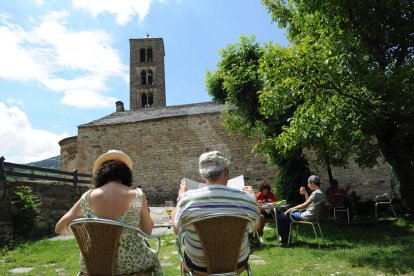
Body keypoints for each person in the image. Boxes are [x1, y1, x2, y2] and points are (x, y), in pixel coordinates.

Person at [55, 150, 162, 275]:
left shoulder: (87, 197)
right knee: (153, 259)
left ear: (100, 174)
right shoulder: (137, 195)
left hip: (94, 265)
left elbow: (59, 227)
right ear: (126, 174)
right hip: (132, 264)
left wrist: (84, 231)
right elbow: (147, 231)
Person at [173, 151, 260, 272]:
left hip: (199, 264)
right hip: (237, 262)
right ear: (226, 171)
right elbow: (255, 227)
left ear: (202, 175)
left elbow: (176, 230)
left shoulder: (187, 199)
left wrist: (181, 197)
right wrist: (252, 196)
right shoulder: (247, 198)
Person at [276, 175, 326, 245]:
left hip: (306, 216)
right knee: (286, 216)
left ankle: (284, 240)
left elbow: (304, 205)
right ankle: (286, 239)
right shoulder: (321, 192)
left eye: (308, 183)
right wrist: (305, 193)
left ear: (312, 183)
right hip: (312, 216)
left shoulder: (315, 193)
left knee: (280, 217)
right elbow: (309, 205)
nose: (308, 185)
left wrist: (289, 209)